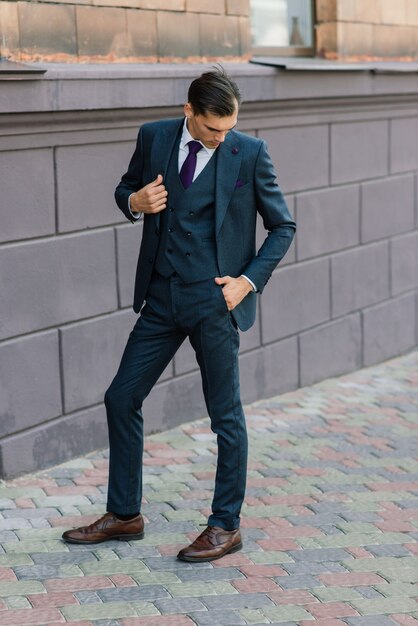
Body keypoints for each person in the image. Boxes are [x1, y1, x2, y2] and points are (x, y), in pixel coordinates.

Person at [62, 67, 296, 562]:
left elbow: (282, 227)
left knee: (224, 417)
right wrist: (134, 201)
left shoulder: (249, 153)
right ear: (189, 111)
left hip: (215, 302)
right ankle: (125, 513)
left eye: (229, 128)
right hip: (163, 297)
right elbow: (126, 188)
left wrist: (246, 282)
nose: (221, 137)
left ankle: (225, 525)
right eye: (213, 129)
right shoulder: (154, 137)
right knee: (121, 397)